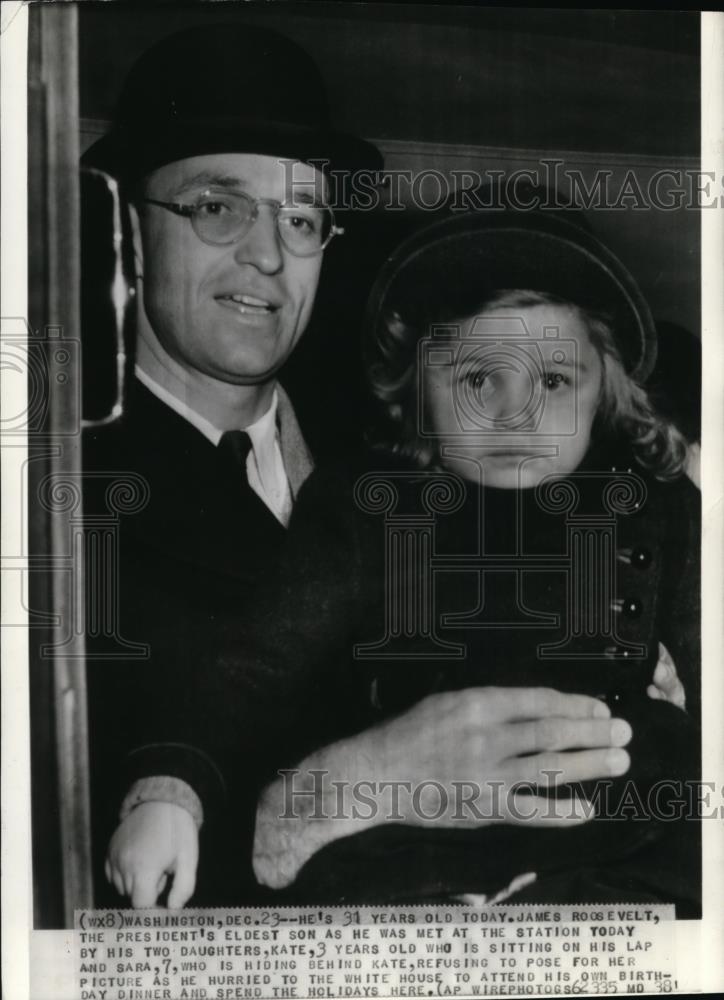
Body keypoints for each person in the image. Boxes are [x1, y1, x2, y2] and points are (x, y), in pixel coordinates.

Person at [107, 194, 699, 911]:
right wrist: (172, 790)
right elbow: (249, 670)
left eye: (553, 380)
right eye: (479, 379)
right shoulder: (369, 506)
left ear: (606, 387)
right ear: (416, 388)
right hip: (416, 849)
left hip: (625, 829)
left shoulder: (657, 504)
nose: (517, 414)